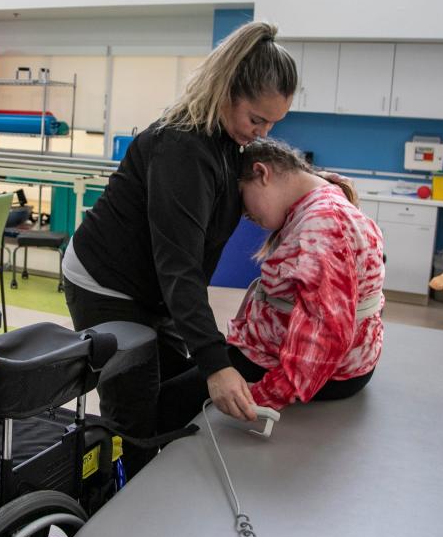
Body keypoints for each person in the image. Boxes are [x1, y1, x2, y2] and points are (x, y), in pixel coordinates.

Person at [61, 21, 298, 475]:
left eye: (273, 123)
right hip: (107, 282)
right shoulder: (182, 149)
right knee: (134, 409)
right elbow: (179, 268)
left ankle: (151, 481)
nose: (263, 132)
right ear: (227, 91)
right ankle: (110, 507)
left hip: (152, 286)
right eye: (257, 119)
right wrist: (216, 366)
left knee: (171, 390)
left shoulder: (229, 139)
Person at [159, 137, 385, 426]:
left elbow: (326, 335)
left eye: (242, 199)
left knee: (164, 404)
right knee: (184, 375)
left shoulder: (324, 224)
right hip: (288, 356)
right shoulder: (320, 199)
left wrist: (261, 397)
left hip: (310, 369)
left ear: (262, 173)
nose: (244, 215)